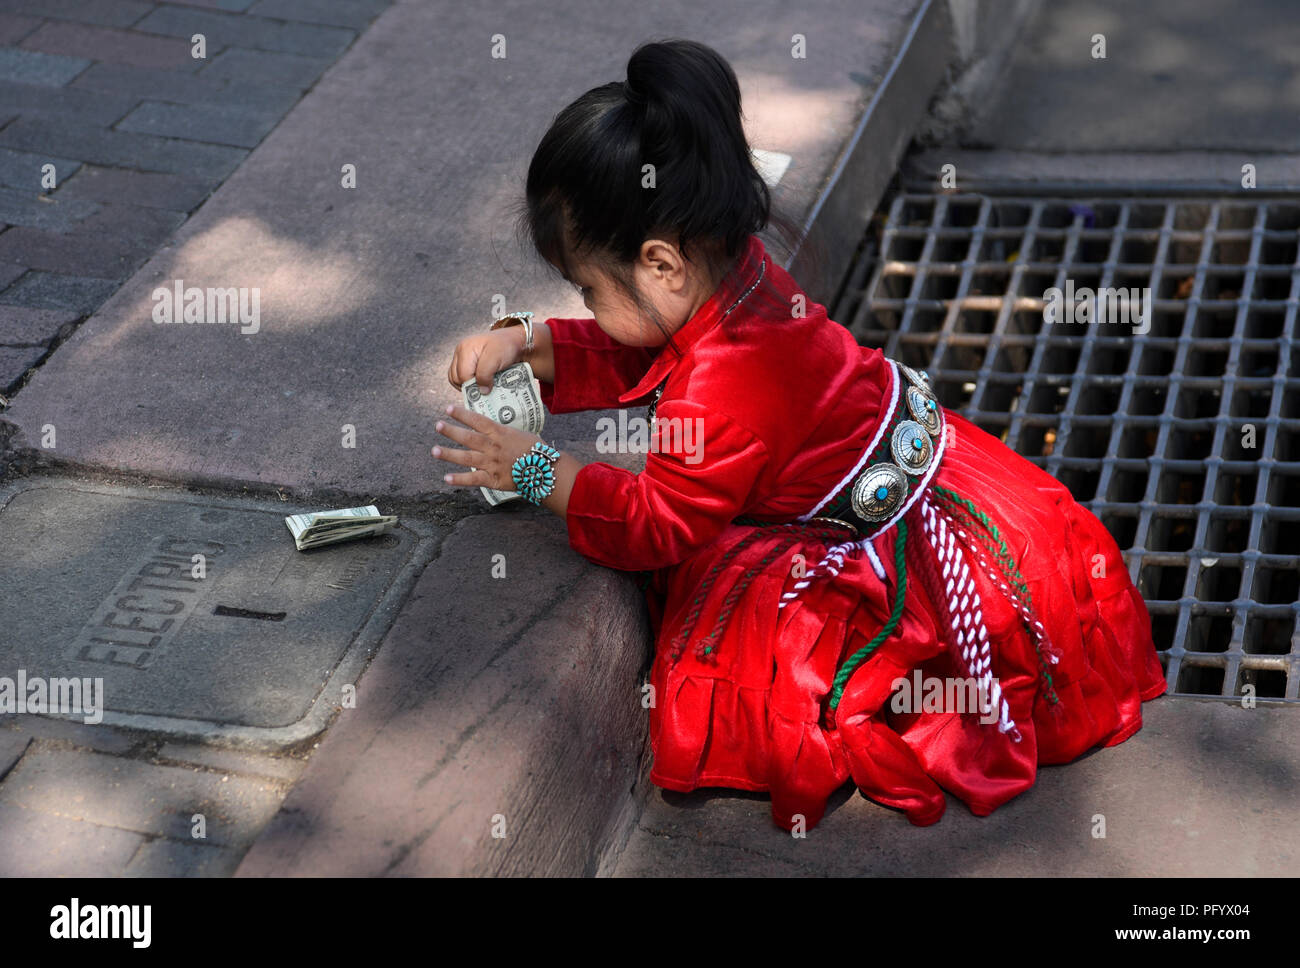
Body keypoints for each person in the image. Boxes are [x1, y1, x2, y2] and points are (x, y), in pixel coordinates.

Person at [433, 38, 1166, 830]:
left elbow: (655, 525)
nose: (584, 302)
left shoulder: (722, 390)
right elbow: (640, 341)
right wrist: (529, 343)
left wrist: (538, 470)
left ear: (662, 263)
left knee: (754, 654)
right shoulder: (737, 273)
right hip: (941, 472)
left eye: (585, 288)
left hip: (896, 545)